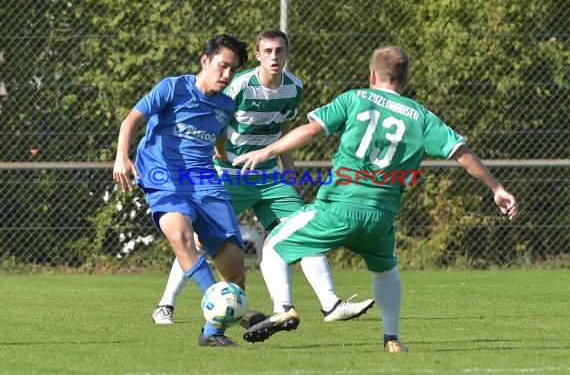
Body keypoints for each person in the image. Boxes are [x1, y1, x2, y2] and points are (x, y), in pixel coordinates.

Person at [233, 45, 519, 353]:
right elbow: (462, 155)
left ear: (372, 74)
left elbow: (311, 129)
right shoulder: (421, 117)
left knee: (275, 247)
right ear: (405, 79)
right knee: (385, 272)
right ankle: (391, 338)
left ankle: (284, 308)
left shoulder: (357, 98)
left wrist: (268, 150)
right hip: (382, 217)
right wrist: (496, 188)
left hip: (338, 208)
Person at [152, 28, 374, 327]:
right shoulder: (239, 85)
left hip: (270, 178)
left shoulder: (294, 87)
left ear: (286, 54)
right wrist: (213, 155)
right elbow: (213, 117)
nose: (273, 56)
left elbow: (284, 130)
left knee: (305, 231)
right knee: (200, 242)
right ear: (258, 55)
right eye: (267, 51)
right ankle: (165, 305)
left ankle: (330, 304)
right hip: (230, 175)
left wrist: (290, 172)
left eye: (279, 51)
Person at [113, 34, 254, 347]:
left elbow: (216, 134)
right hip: (165, 178)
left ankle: (212, 334)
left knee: (235, 270)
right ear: (205, 61)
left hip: (206, 182)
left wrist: (220, 151)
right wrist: (122, 156)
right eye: (223, 66)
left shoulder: (227, 106)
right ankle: (214, 297)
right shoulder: (173, 87)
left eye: (233, 69)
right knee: (179, 234)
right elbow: (131, 120)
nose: (227, 74)